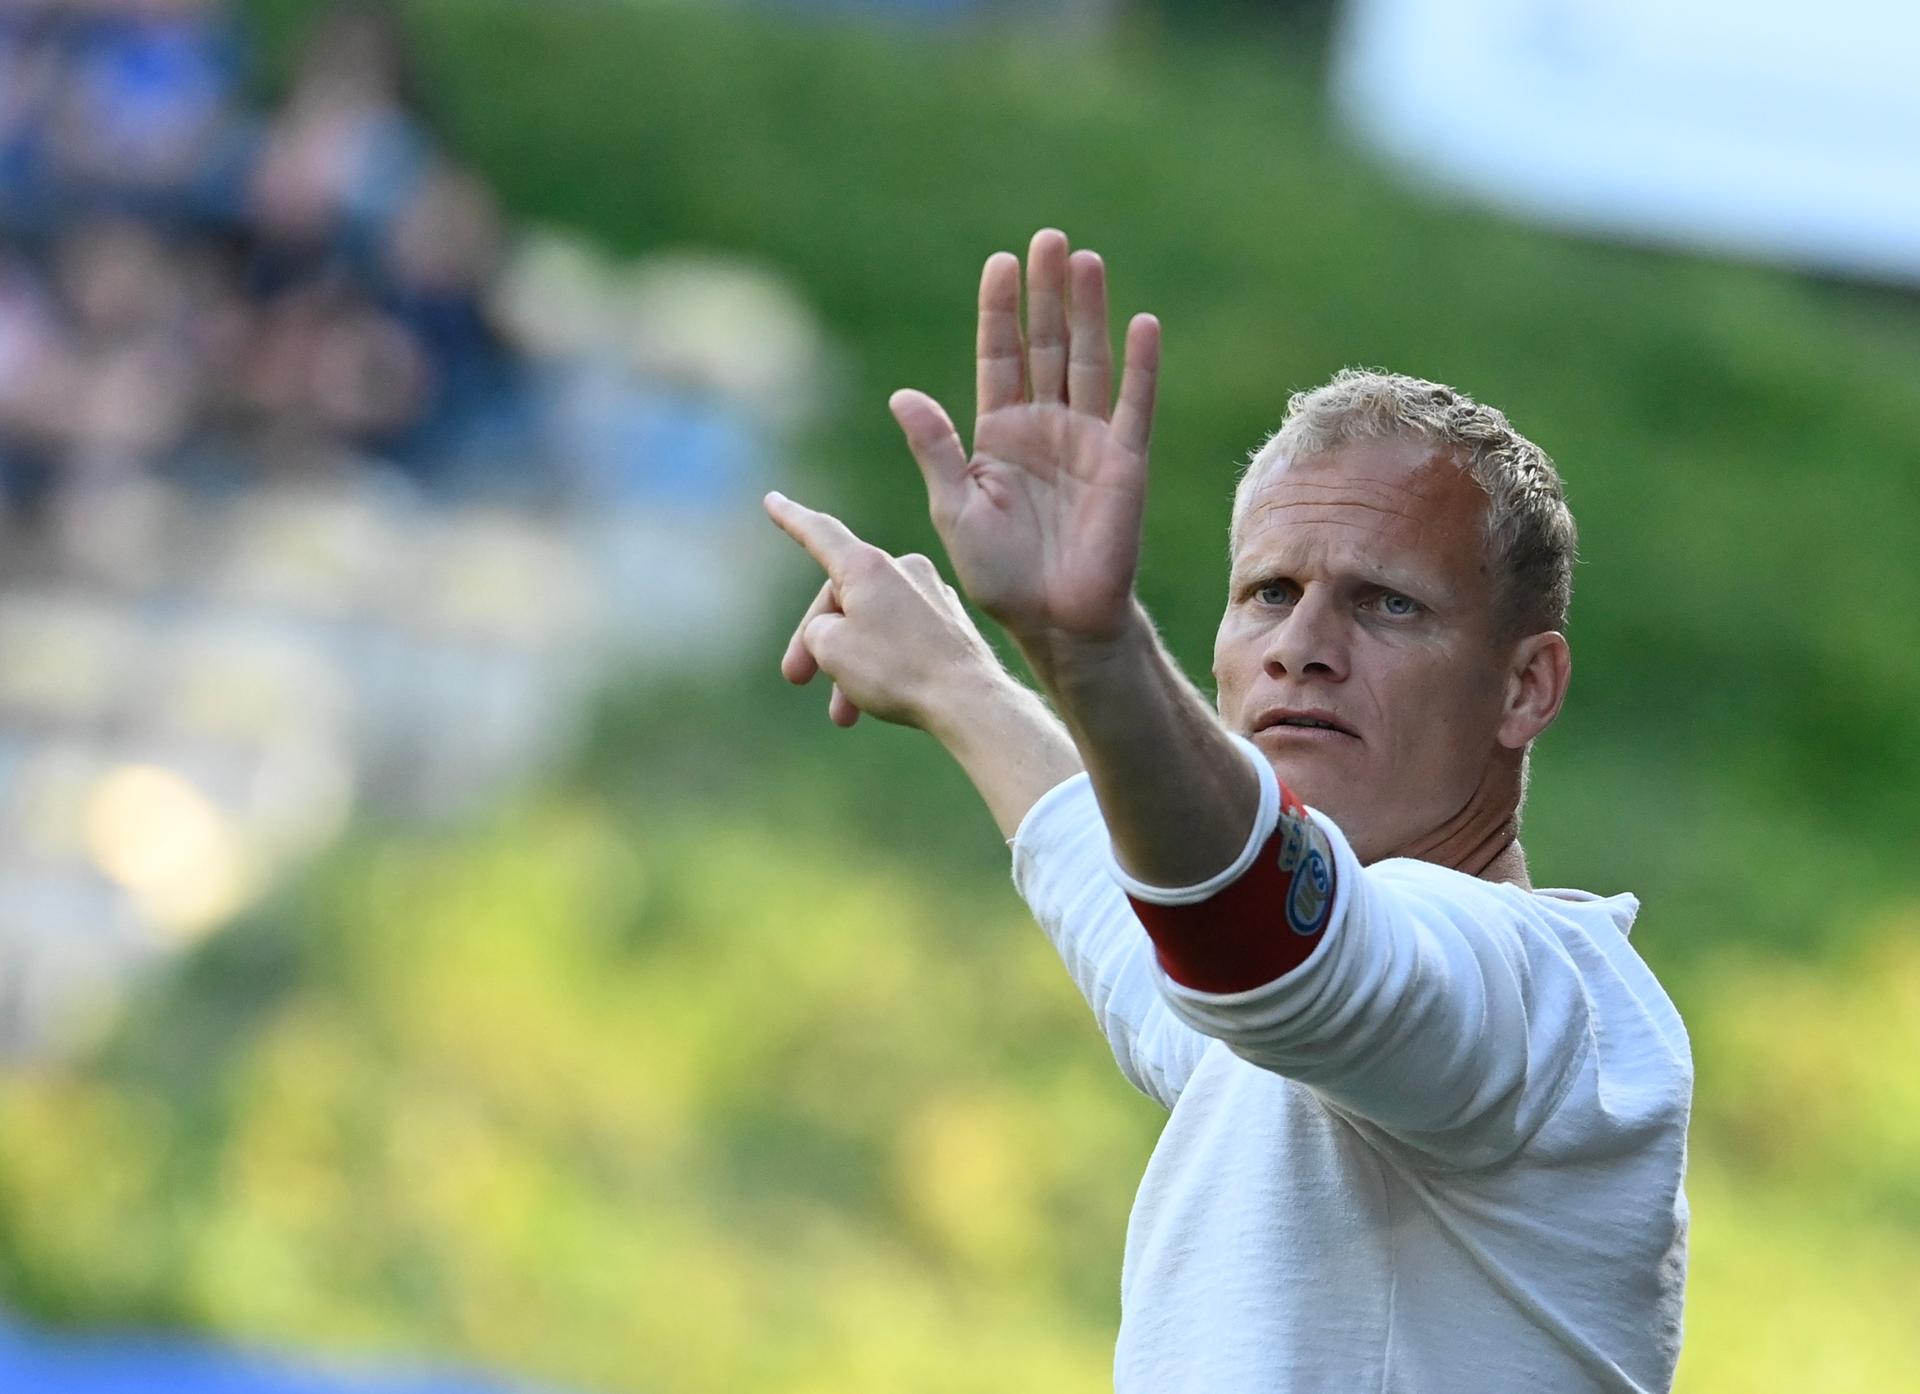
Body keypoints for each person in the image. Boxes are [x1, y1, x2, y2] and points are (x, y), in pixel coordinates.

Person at [762, 228, 1691, 1393]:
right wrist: (966, 684)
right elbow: (1162, 934)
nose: (1304, 645)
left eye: (1388, 604)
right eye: (1270, 592)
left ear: (1526, 685)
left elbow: (1268, 942)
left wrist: (1090, 648)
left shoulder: (1533, 1002)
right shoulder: (1275, 1029)